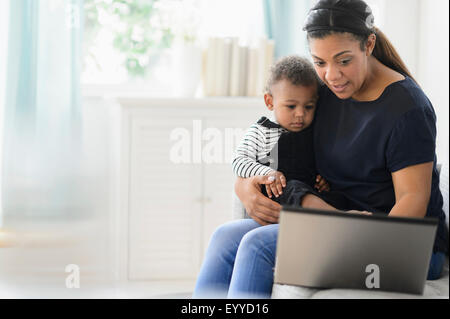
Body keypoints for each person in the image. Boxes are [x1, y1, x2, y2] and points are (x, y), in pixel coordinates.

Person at [193, 0, 448, 299]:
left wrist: (358, 236)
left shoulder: (408, 109)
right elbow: (279, 146)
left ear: (368, 45)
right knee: (225, 237)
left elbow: (412, 199)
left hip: (403, 244)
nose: (331, 75)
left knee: (257, 246)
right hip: (336, 221)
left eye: (343, 60)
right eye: (320, 62)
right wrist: (245, 188)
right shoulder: (328, 93)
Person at [231, 55, 330, 207]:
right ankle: (334, 215)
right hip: (276, 197)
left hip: (306, 198)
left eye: (308, 106)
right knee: (294, 188)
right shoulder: (262, 131)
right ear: (270, 102)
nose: (300, 114)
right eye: (291, 106)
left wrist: (321, 180)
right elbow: (239, 161)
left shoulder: (312, 133)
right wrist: (266, 173)